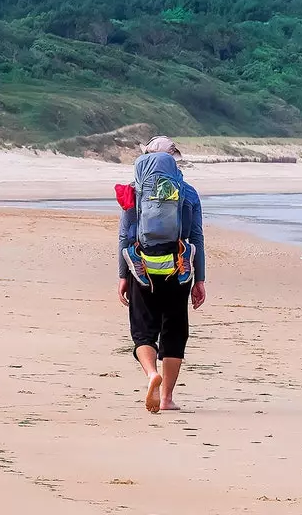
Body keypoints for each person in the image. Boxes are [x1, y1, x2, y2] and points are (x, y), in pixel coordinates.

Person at [117, 136, 207, 413]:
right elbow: (197, 236)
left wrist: (123, 275)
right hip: (179, 266)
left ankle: (150, 374)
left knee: (143, 330)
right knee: (174, 331)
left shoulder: (135, 191)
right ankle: (167, 399)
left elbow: (124, 236)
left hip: (141, 265)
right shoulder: (187, 192)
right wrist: (200, 279)